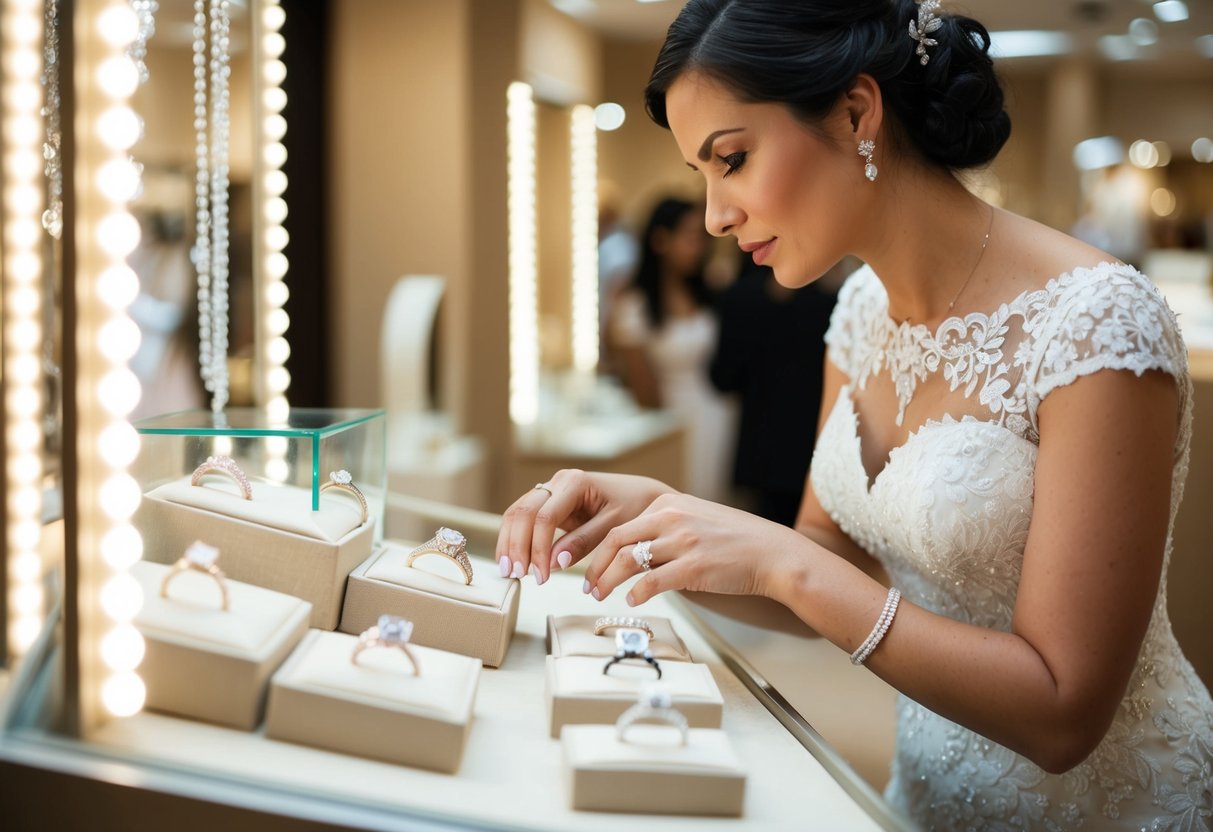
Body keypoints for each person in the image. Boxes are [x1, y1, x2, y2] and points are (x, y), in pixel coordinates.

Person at [497, 1, 1213, 829]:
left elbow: (1061, 713)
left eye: (730, 159)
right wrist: (663, 516)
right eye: (701, 175)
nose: (712, 215)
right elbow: (830, 556)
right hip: (924, 794)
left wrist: (784, 564)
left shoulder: (1097, 323)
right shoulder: (860, 313)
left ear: (854, 112)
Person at [607, 196, 738, 503]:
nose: (699, 247)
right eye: (690, 238)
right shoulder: (634, 305)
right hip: (671, 419)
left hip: (720, 411)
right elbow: (644, 392)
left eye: (701, 239)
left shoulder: (709, 293)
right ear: (661, 240)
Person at [709, 251, 841, 526]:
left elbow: (723, 377)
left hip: (760, 445)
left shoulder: (739, 297)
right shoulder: (827, 302)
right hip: (805, 444)